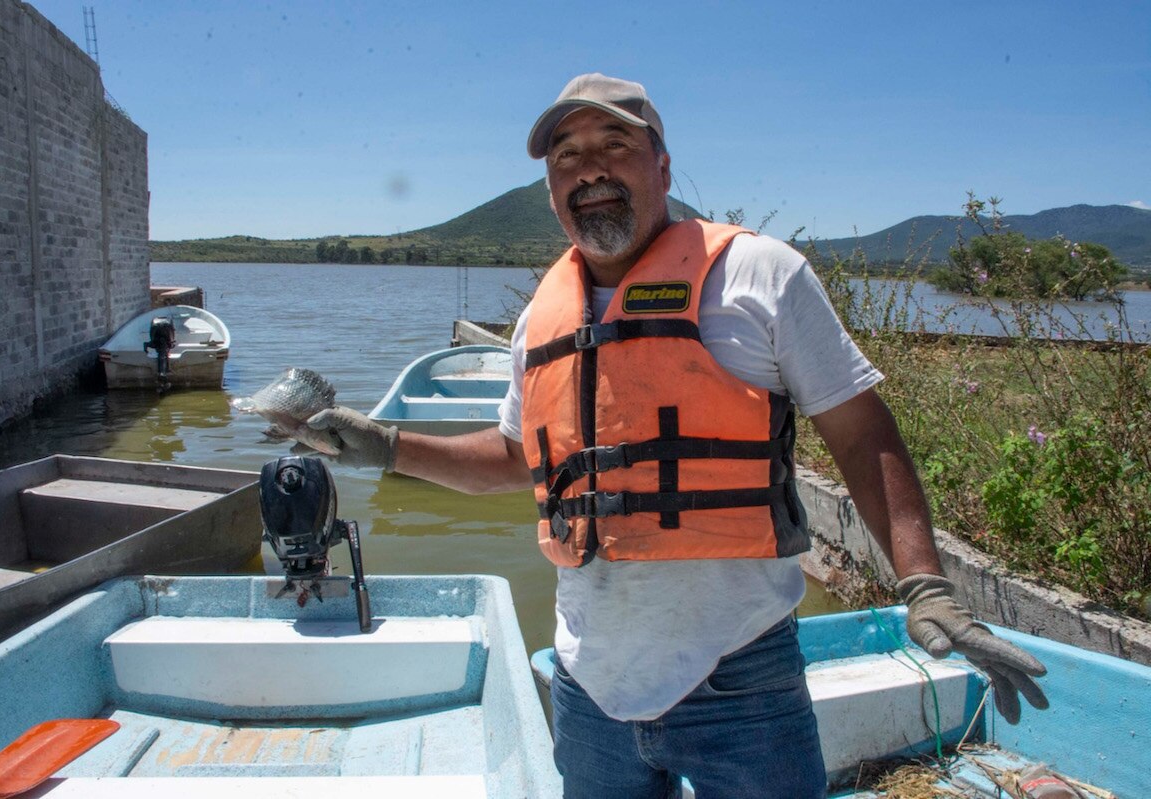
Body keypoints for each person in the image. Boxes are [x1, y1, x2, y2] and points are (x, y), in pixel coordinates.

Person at [299, 73, 1049, 798]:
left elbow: (862, 434)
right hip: (590, 682)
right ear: (553, 191)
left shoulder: (761, 275)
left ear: (662, 164)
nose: (589, 168)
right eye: (566, 156)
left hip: (741, 678)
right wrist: (383, 445)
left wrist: (924, 585)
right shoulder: (540, 319)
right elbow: (518, 460)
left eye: (614, 144)